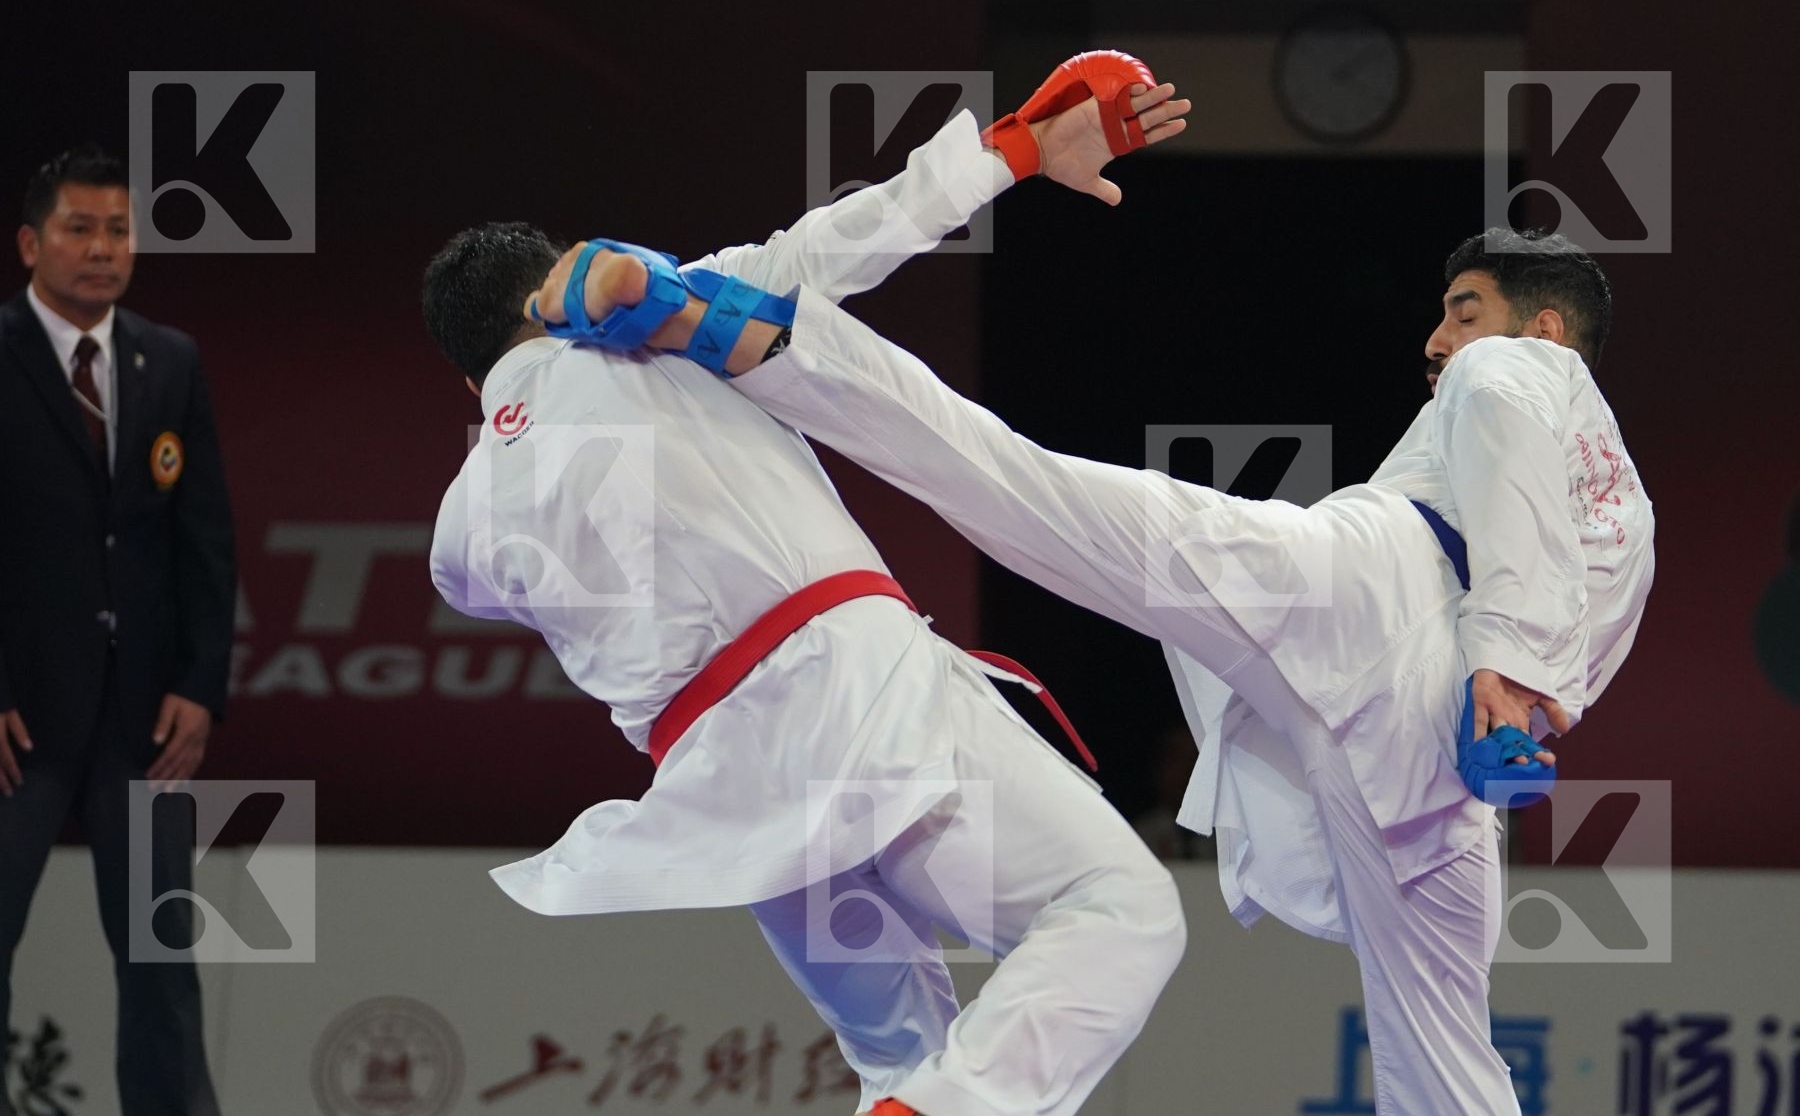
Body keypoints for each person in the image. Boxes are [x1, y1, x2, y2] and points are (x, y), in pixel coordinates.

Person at [530, 112, 1656, 1112]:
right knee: (1444, 1054)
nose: (1439, 340)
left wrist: (1509, 666)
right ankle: (745, 331)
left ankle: (730, 326)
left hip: (1378, 594)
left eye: (1464, 311)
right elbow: (1576, 622)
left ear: (1545, 330)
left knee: (1027, 490)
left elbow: (1504, 433)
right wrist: (1517, 692)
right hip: (1442, 738)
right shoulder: (1626, 523)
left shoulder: (1522, 372)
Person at [422, 59, 1195, 1116]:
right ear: (546, 294)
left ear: (469, 377)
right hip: (864, 706)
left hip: (736, 799)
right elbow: (844, 240)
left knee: (903, 1060)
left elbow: (502, 567)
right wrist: (1015, 149)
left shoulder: (460, 531)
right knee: (1116, 906)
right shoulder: (663, 325)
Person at [0, 145, 235, 1115]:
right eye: (79, 229)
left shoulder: (168, 359)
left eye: (118, 231)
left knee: (161, 962)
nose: (102, 249)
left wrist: (201, 684)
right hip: (17, 720)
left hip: (142, 719)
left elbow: (205, 537)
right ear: (30, 244)